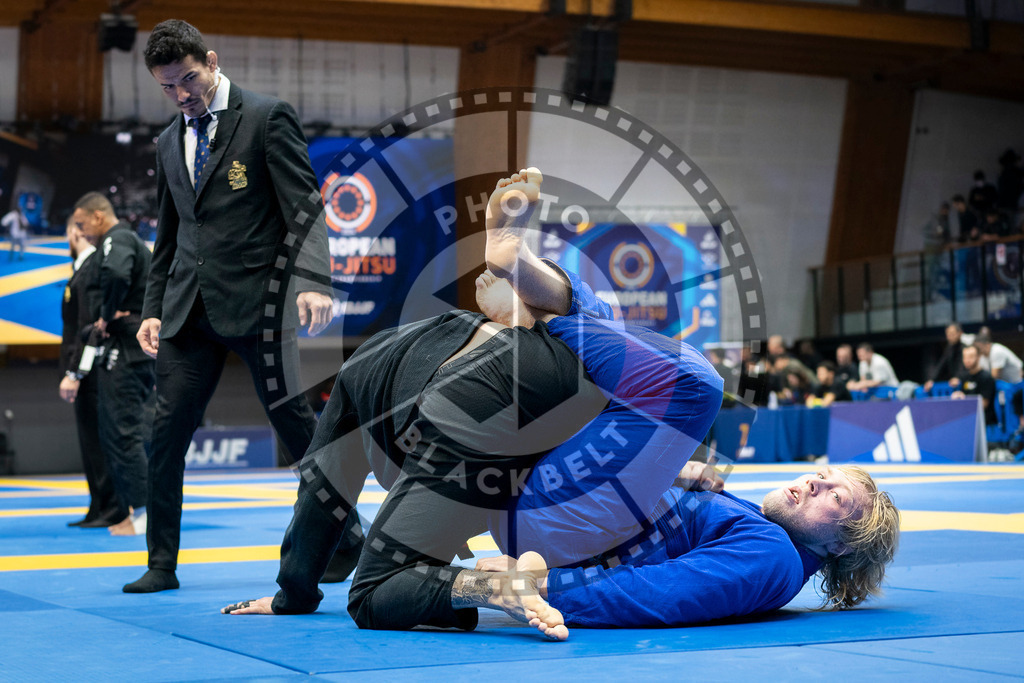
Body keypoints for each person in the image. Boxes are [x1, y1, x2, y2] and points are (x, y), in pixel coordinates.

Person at [221, 169, 899, 637]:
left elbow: (660, 597)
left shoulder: (773, 559)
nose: (818, 478)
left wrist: (541, 595)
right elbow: (324, 466)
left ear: (842, 544)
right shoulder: (749, 517)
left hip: (557, 516)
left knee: (692, 385)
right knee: (617, 359)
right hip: (533, 480)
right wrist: (684, 474)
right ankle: (530, 294)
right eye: (830, 471)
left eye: (839, 497)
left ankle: (533, 302)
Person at [123, 20, 340, 592]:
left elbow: (305, 207)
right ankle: (160, 564)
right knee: (165, 431)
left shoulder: (267, 117)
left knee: (297, 430)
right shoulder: (169, 140)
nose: (182, 95)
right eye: (168, 87)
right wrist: (152, 308)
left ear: (212, 61)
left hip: (258, 303)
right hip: (186, 313)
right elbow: (168, 238)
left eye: (189, 79)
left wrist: (313, 280)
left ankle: (346, 543)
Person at [72, 192, 155, 536]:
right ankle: (134, 511)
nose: (80, 231)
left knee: (124, 433)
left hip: (129, 345)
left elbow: (118, 275)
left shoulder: (117, 239)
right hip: (125, 343)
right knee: (114, 433)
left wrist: (106, 315)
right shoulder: (120, 239)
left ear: (97, 216)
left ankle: (146, 516)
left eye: (81, 223)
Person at [58, 218, 120, 528]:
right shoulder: (81, 271)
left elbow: (89, 329)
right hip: (84, 369)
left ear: (76, 232)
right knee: (89, 441)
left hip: (91, 371)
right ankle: (98, 505)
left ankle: (110, 507)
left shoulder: (92, 269)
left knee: (98, 440)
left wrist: (76, 372)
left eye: (68, 233)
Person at [952, 344, 997, 426]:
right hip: (967, 415)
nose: (967, 360)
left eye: (971, 357)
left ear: (979, 357)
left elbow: (984, 404)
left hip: (983, 418)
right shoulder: (964, 377)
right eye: (965, 357)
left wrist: (965, 400)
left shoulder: (986, 377)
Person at [923, 323, 966, 393]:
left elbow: (963, 366)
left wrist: (958, 378)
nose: (949, 336)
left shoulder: (966, 348)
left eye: (952, 334)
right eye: (948, 334)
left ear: (960, 333)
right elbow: (941, 365)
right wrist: (931, 380)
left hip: (965, 383)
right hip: (953, 384)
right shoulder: (949, 349)